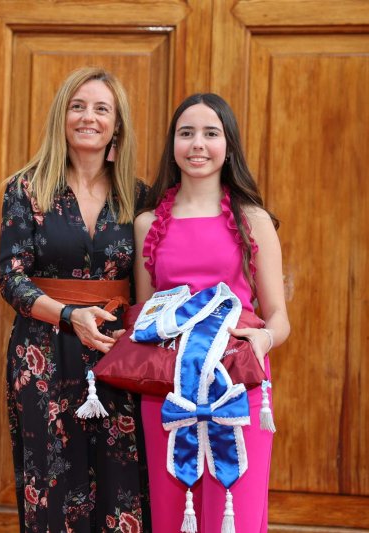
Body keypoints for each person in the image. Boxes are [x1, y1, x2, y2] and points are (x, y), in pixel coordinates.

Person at [0, 67, 149, 532]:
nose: (89, 117)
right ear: (61, 117)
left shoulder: (140, 196)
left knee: (122, 485)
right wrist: (68, 315)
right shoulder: (25, 189)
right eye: (77, 106)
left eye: (102, 108)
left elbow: (150, 284)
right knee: (51, 486)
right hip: (43, 352)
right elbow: (11, 278)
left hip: (117, 355)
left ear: (116, 123)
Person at [133, 93, 290, 532]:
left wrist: (263, 338)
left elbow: (279, 316)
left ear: (229, 145)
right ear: (173, 144)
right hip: (167, 393)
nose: (197, 144)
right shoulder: (148, 223)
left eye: (210, 133)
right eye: (186, 133)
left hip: (238, 386)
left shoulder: (252, 220)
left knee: (232, 516)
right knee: (170, 515)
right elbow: (144, 316)